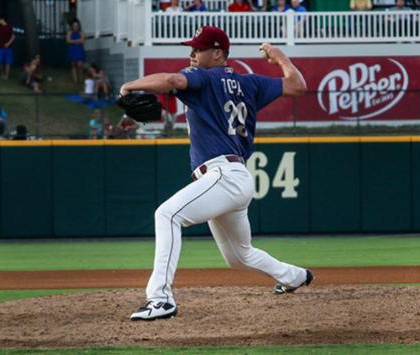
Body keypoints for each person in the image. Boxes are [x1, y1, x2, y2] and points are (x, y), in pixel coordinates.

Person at [120, 26, 312, 321]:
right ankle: (295, 276)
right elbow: (297, 86)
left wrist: (130, 86)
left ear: (218, 53)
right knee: (240, 256)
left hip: (222, 175)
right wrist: (281, 57)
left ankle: (160, 299)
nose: (192, 54)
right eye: (192, 48)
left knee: (167, 215)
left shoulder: (203, 78)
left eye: (198, 49)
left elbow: (172, 80)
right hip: (235, 177)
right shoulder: (250, 83)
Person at [0, 16, 15, 80]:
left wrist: (8, 43)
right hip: (0, 47)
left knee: (8, 62)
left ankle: (6, 75)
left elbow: (13, 36)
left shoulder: (9, 26)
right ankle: (2, 74)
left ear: (2, 19)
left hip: (8, 47)